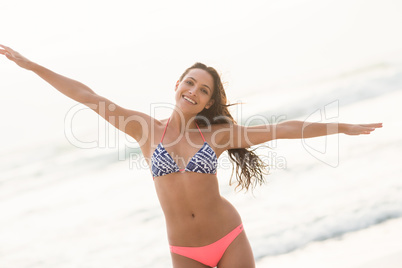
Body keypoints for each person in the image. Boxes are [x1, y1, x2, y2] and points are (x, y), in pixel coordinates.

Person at [0, 44, 382, 268]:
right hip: (184, 249)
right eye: (190, 83)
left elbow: (284, 129)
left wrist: (342, 127)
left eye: (203, 90)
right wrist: (31, 66)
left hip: (228, 236)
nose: (193, 91)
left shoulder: (216, 136)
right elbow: (88, 97)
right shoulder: (145, 129)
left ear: (208, 101)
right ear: (178, 85)